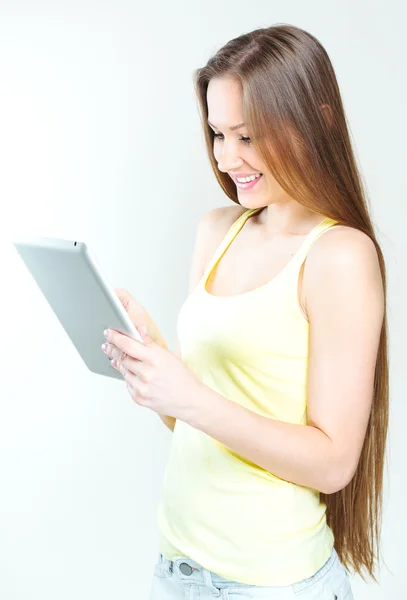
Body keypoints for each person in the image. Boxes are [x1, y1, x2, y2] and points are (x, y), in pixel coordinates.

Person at [102, 24, 388, 599]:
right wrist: (155, 364)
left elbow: (334, 464)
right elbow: (200, 423)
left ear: (319, 121)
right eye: (216, 134)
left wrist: (190, 396)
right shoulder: (217, 231)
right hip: (178, 571)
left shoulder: (340, 256)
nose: (227, 157)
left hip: (273, 584)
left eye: (248, 136)